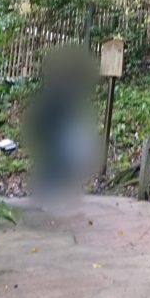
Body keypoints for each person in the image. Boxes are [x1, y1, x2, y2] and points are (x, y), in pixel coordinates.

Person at [24, 46, 99, 205]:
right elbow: (62, 112)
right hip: (53, 133)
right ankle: (49, 192)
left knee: (55, 164)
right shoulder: (61, 91)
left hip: (54, 133)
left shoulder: (56, 90)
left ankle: (50, 191)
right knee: (54, 165)